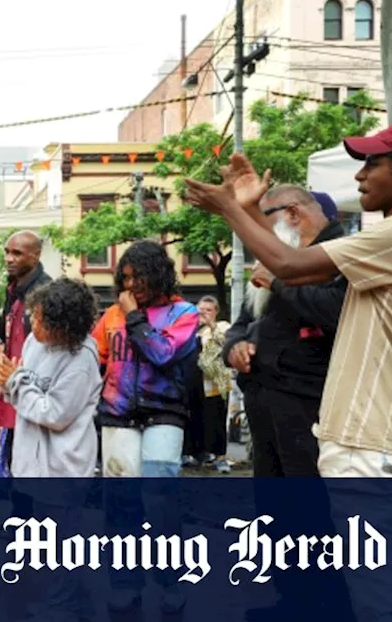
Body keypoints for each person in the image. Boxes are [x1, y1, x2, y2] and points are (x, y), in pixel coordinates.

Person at [186, 125, 392, 622]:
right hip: (365, 435)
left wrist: (231, 207)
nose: (359, 175)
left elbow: (288, 267)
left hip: (370, 440)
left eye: (373, 164)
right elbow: (287, 263)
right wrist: (251, 210)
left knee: (379, 598)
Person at [91, 240, 199, 613]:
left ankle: (170, 580)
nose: (131, 285)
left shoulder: (184, 313)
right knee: (121, 503)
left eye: (138, 276)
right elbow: (95, 359)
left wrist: (134, 316)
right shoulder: (111, 316)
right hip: (118, 413)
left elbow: (162, 353)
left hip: (164, 412)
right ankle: (125, 582)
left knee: (161, 499)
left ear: (158, 274)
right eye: (125, 278)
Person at [0, 278, 101, 622]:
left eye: (41, 320)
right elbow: (24, 393)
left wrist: (14, 382)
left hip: (63, 466)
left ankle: (62, 605)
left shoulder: (82, 360)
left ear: (64, 326)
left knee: (62, 541)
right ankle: (74, 600)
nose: (33, 325)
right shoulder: (36, 342)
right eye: (33, 317)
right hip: (35, 463)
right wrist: (7, 384)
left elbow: (55, 414)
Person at [221, 186, 348, 478]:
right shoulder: (276, 259)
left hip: (310, 402)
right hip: (264, 397)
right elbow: (241, 323)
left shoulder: (339, 253)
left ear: (292, 214)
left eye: (261, 220)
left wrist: (281, 280)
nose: (257, 233)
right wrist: (235, 347)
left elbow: (334, 311)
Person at [0, 230, 52, 476]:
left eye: (17, 253)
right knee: (14, 463)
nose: (9, 259)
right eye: (7, 252)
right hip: (14, 386)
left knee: (31, 466)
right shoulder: (13, 290)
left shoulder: (47, 293)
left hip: (34, 390)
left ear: (35, 256)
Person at [187, 296, 233, 474]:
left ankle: (220, 456)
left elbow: (225, 343)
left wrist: (211, 326)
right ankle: (197, 453)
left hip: (214, 381)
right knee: (194, 415)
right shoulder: (192, 330)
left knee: (216, 417)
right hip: (194, 380)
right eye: (201, 310)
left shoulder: (222, 326)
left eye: (208, 310)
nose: (204, 314)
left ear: (216, 312)